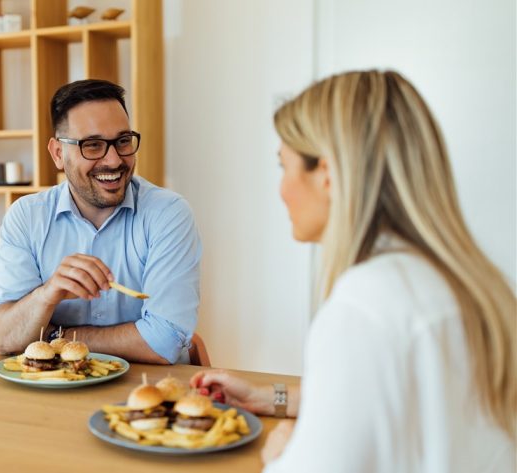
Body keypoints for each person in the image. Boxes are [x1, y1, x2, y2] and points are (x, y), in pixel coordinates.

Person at [192, 70, 515, 472]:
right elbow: (397, 396)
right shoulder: (466, 282)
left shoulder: (366, 305)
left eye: (284, 166)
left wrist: (282, 457)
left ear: (326, 174)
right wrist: (271, 397)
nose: (281, 190)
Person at [0, 79, 202, 364]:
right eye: (93, 145)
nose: (113, 160)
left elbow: (164, 341)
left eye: (123, 141)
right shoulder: (26, 217)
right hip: (53, 393)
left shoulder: (168, 214)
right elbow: (4, 338)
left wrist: (54, 337)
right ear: (58, 154)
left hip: (147, 392)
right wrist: (48, 295)